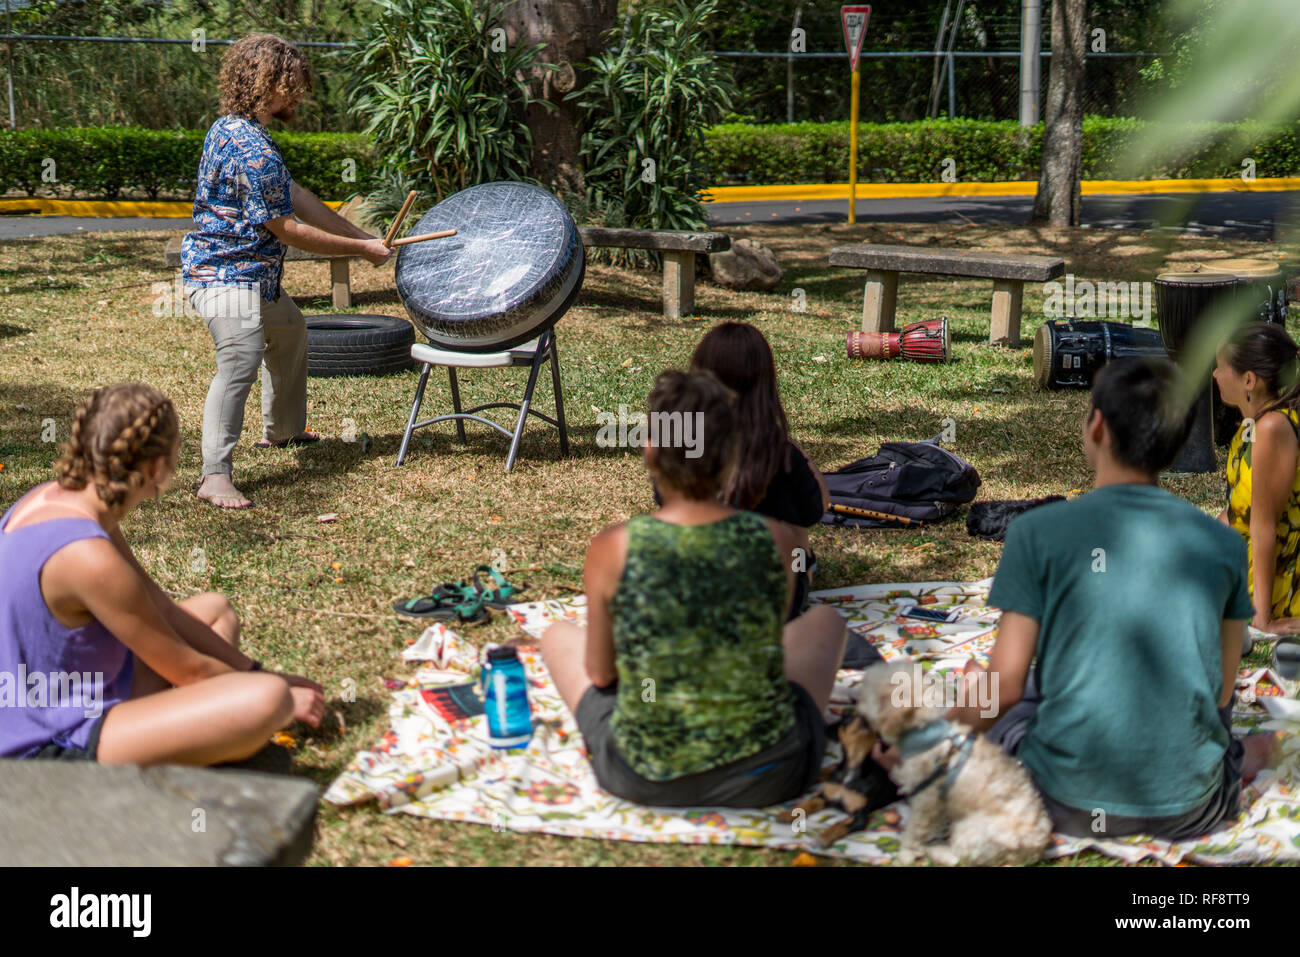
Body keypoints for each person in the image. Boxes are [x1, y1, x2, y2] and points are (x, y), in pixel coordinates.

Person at [876, 358, 1274, 840]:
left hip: (1064, 799)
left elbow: (1001, 691)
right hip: (1193, 808)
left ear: (1098, 426)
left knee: (1002, 695)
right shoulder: (1224, 544)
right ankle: (1242, 754)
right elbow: (1219, 692)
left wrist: (926, 740)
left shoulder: (1040, 533)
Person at [540, 370, 847, 807]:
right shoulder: (776, 541)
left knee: (556, 635)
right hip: (771, 772)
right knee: (826, 621)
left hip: (643, 775)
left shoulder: (613, 548)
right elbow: (765, 646)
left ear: (650, 452)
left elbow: (603, 674)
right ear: (732, 454)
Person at [0, 383, 325, 764]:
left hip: (67, 694)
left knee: (214, 610)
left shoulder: (55, 500)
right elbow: (190, 672)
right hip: (45, 744)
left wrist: (254, 670)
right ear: (156, 467)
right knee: (266, 700)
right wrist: (281, 693)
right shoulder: (88, 556)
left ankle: (193, 732)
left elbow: (162, 608)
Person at [181, 33, 394, 510]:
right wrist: (361, 251)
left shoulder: (238, 130)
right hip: (224, 275)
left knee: (291, 329)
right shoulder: (249, 148)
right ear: (263, 81)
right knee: (241, 353)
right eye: (291, 81)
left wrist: (360, 237)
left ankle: (283, 432)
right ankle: (215, 475)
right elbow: (287, 228)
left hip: (256, 276)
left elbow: (294, 196)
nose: (300, 91)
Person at [680, 321, 830, 618]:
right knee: (798, 535)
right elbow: (817, 509)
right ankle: (805, 572)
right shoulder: (781, 453)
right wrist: (796, 449)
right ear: (765, 384)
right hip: (768, 601)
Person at [1213, 321, 1300, 634]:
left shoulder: (1270, 429)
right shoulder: (1253, 425)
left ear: (1248, 380)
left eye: (1221, 367)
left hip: (1275, 578)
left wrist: (1262, 620)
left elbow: (1264, 526)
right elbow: (1239, 511)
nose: (1215, 374)